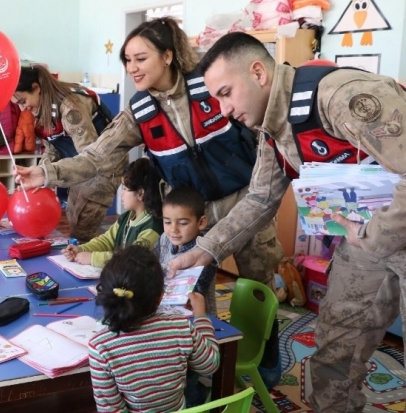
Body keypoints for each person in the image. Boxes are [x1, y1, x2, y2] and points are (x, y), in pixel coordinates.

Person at [169, 31, 406, 413]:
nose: (223, 110)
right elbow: (261, 197)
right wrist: (205, 250)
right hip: (367, 239)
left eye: (226, 93)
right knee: (336, 347)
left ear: (258, 72)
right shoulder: (271, 129)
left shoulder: (342, 96)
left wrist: (371, 236)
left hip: (384, 231)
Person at [15, 17, 283, 293]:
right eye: (128, 61)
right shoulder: (139, 112)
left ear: (167, 56)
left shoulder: (211, 86)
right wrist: (47, 173)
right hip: (191, 219)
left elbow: (262, 134)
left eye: (140, 59)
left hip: (244, 206)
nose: (133, 68)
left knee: (257, 289)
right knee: (191, 295)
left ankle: (263, 337)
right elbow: (95, 156)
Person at [88, 245, 219, 412]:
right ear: (161, 296)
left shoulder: (100, 346)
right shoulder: (181, 327)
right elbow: (210, 364)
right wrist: (201, 315)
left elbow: (111, 410)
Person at [14, 64, 126, 242]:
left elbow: (90, 159)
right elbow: (53, 146)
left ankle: (90, 263)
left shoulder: (70, 106)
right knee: (73, 217)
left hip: (104, 166)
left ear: (36, 88)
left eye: (23, 101)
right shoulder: (43, 105)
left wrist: (48, 174)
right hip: (80, 164)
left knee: (83, 226)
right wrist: (39, 172)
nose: (22, 109)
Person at [62, 157, 162, 267]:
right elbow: (106, 241)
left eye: (125, 189)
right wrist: (81, 249)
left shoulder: (152, 227)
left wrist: (92, 258)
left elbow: (131, 259)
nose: (121, 194)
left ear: (140, 194)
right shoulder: (126, 218)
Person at [154, 186, 215, 314]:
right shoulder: (164, 239)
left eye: (182, 223)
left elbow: (196, 293)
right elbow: (151, 264)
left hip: (197, 317)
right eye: (167, 222)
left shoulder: (205, 251)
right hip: (164, 309)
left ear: (201, 222)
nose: (173, 230)